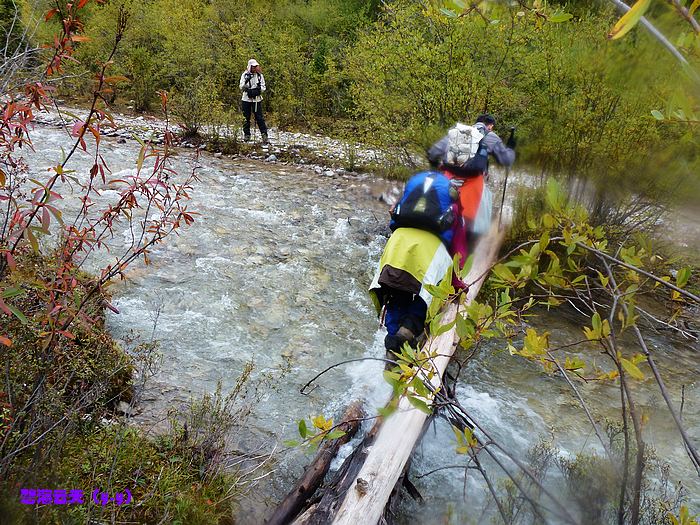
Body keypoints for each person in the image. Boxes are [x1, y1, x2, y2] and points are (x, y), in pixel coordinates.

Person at [369, 171, 458, 361]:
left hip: (398, 245)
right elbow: (458, 246)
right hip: (431, 251)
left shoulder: (411, 191)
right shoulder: (451, 203)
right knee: (423, 299)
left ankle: (391, 351)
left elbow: (394, 220)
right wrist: (458, 285)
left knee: (395, 293)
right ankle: (408, 331)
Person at [427, 114, 516, 268]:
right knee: (467, 232)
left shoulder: (457, 132)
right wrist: (511, 148)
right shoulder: (491, 136)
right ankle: (457, 271)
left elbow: (433, 153)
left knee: (442, 222)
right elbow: (506, 160)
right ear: (490, 126)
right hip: (472, 188)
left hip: (447, 182)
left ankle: (432, 260)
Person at [239, 58, 268, 144]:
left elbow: (263, 87)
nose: (255, 68)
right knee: (246, 118)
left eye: (256, 66)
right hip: (246, 99)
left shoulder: (260, 76)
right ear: (250, 67)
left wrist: (258, 90)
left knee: (259, 118)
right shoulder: (244, 75)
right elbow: (241, 86)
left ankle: (264, 135)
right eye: (253, 67)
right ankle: (247, 135)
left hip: (257, 100)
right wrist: (247, 89)